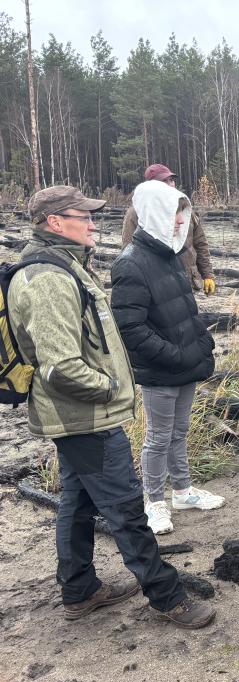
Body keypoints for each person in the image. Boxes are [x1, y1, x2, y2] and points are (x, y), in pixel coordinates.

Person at [7, 186, 214, 629]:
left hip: (80, 415)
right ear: (54, 222)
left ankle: (79, 590)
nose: (93, 223)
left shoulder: (68, 267)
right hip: (84, 416)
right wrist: (111, 389)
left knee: (78, 504)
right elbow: (61, 367)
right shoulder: (47, 279)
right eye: (83, 216)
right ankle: (167, 597)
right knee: (126, 509)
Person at [111, 180, 224, 536]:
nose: (181, 220)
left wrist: (201, 342)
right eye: (174, 212)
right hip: (160, 370)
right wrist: (173, 355)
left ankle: (183, 491)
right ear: (154, 213)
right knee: (158, 437)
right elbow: (130, 329)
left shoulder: (172, 255)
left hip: (184, 363)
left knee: (179, 431)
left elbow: (185, 311)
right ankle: (154, 501)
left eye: (182, 212)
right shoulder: (131, 264)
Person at [122, 164, 216, 295]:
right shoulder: (137, 212)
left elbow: (200, 244)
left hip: (188, 280)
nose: (170, 184)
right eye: (163, 181)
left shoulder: (185, 208)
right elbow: (128, 249)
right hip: (158, 285)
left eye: (171, 180)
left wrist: (208, 275)